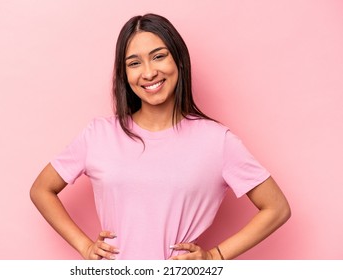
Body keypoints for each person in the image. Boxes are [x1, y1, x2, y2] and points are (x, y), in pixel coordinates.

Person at [30, 13, 291, 260]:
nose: (148, 72)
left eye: (158, 56)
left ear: (178, 60)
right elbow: (41, 189)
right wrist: (85, 247)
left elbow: (277, 208)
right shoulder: (98, 135)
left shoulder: (217, 141)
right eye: (134, 63)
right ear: (125, 75)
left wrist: (215, 256)